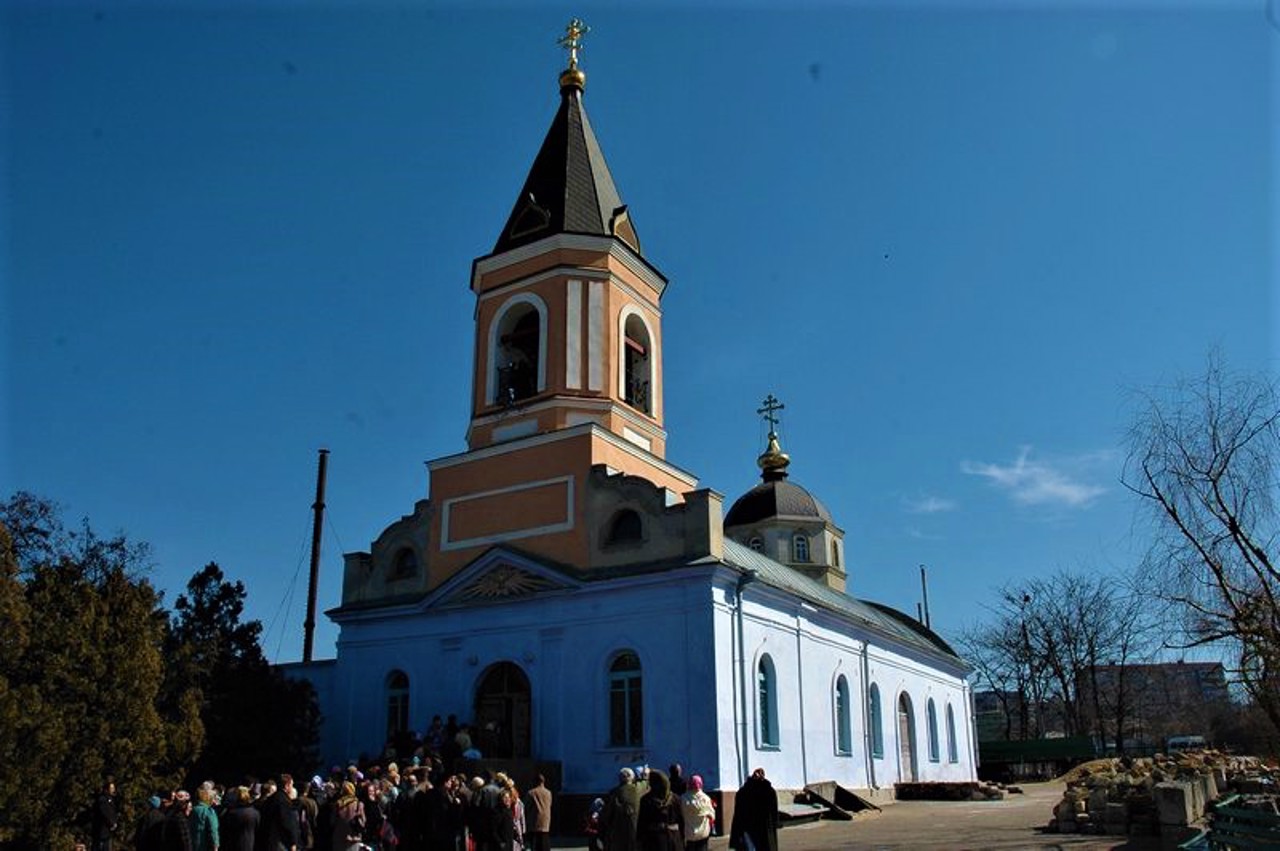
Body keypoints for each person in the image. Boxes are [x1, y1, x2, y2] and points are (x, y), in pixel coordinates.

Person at [727, 770, 777, 851]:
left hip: (746, 827)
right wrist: (775, 822)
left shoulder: (742, 792)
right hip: (764, 828)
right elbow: (773, 811)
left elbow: (738, 814)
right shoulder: (769, 791)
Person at [636, 770, 683, 851]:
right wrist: (682, 838)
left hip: (653, 841)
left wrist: (639, 841)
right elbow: (681, 820)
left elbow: (642, 823)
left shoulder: (646, 799)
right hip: (674, 839)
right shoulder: (676, 799)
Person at [599, 768, 641, 851]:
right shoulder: (638, 789)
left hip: (617, 834)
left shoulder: (613, 793)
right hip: (635, 833)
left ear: (619, 778)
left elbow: (606, 816)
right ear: (632, 777)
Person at [679, 777, 714, 851]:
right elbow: (712, 815)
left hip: (689, 833)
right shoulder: (706, 798)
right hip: (703, 832)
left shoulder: (683, 798)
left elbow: (680, 814)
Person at [524, 774, 552, 851]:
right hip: (545, 823)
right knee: (545, 844)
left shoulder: (531, 793)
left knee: (535, 845)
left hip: (534, 822)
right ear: (543, 781)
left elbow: (526, 806)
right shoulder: (548, 793)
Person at [90, 779, 119, 851]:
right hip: (102, 831)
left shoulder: (110, 800)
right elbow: (106, 813)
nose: (113, 790)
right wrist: (112, 823)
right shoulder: (102, 800)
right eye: (111, 788)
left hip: (107, 832)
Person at [188, 785, 219, 851]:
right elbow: (213, 830)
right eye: (213, 798)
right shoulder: (209, 811)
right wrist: (215, 846)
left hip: (193, 845)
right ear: (208, 798)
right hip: (205, 845)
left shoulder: (193, 809)